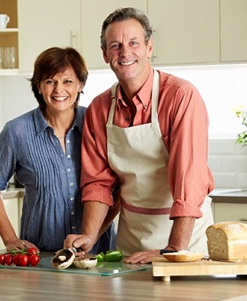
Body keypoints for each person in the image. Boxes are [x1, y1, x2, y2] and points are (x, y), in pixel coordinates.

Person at [64, 7, 214, 263]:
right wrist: (89, 235)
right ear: (104, 54)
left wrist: (174, 249)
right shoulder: (99, 109)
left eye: (134, 43)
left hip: (184, 238)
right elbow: (99, 184)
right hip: (131, 240)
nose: (125, 53)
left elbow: (188, 180)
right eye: (115, 45)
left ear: (149, 47)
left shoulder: (180, 97)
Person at [0, 47, 115, 253]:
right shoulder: (17, 131)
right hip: (41, 254)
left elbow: (119, 187)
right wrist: (9, 238)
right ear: (39, 86)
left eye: (67, 81)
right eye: (50, 81)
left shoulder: (98, 124)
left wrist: (93, 235)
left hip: (97, 254)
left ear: (80, 84)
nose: (58, 90)